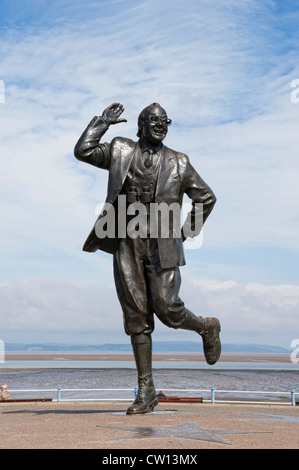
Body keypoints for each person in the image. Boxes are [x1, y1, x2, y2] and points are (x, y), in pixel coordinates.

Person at [74, 102, 221, 414]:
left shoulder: (180, 163)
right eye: (153, 120)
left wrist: (186, 232)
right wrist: (102, 122)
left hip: (162, 244)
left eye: (164, 121)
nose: (159, 125)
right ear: (139, 125)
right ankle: (147, 391)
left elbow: (206, 197)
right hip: (126, 239)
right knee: (136, 317)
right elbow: (83, 151)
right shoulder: (120, 151)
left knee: (168, 309)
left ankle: (206, 327)